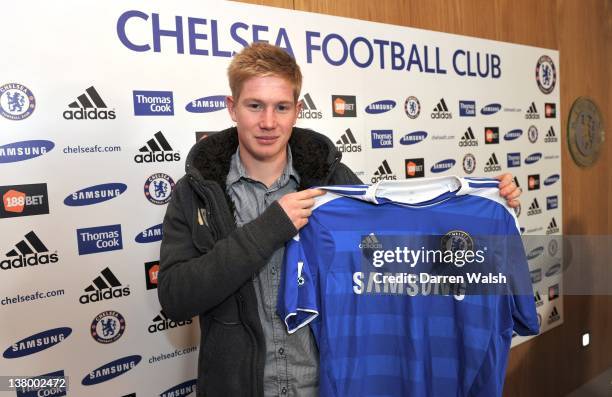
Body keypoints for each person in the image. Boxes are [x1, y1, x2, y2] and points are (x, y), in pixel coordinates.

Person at [158, 42, 522, 397]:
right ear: (232, 107)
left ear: (297, 110)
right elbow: (176, 297)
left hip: (326, 385)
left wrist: (488, 212)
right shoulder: (196, 192)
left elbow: (395, 260)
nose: (268, 122)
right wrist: (271, 228)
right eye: (255, 106)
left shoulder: (334, 181)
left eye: (281, 107)